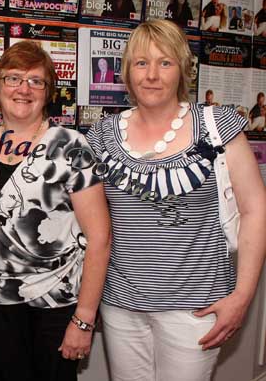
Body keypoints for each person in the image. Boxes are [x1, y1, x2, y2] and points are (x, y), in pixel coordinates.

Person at [85, 19, 266, 381]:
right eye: (141, 63)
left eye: (164, 62)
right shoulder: (101, 135)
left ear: (182, 68)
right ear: (126, 71)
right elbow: (91, 223)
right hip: (122, 305)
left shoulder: (217, 126)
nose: (152, 74)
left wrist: (242, 297)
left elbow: (255, 209)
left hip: (196, 309)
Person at [0, 40, 111, 381]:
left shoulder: (71, 147)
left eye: (36, 81)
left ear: (48, 93)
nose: (24, 89)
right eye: (13, 78)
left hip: (57, 305)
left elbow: (101, 238)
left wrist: (84, 319)